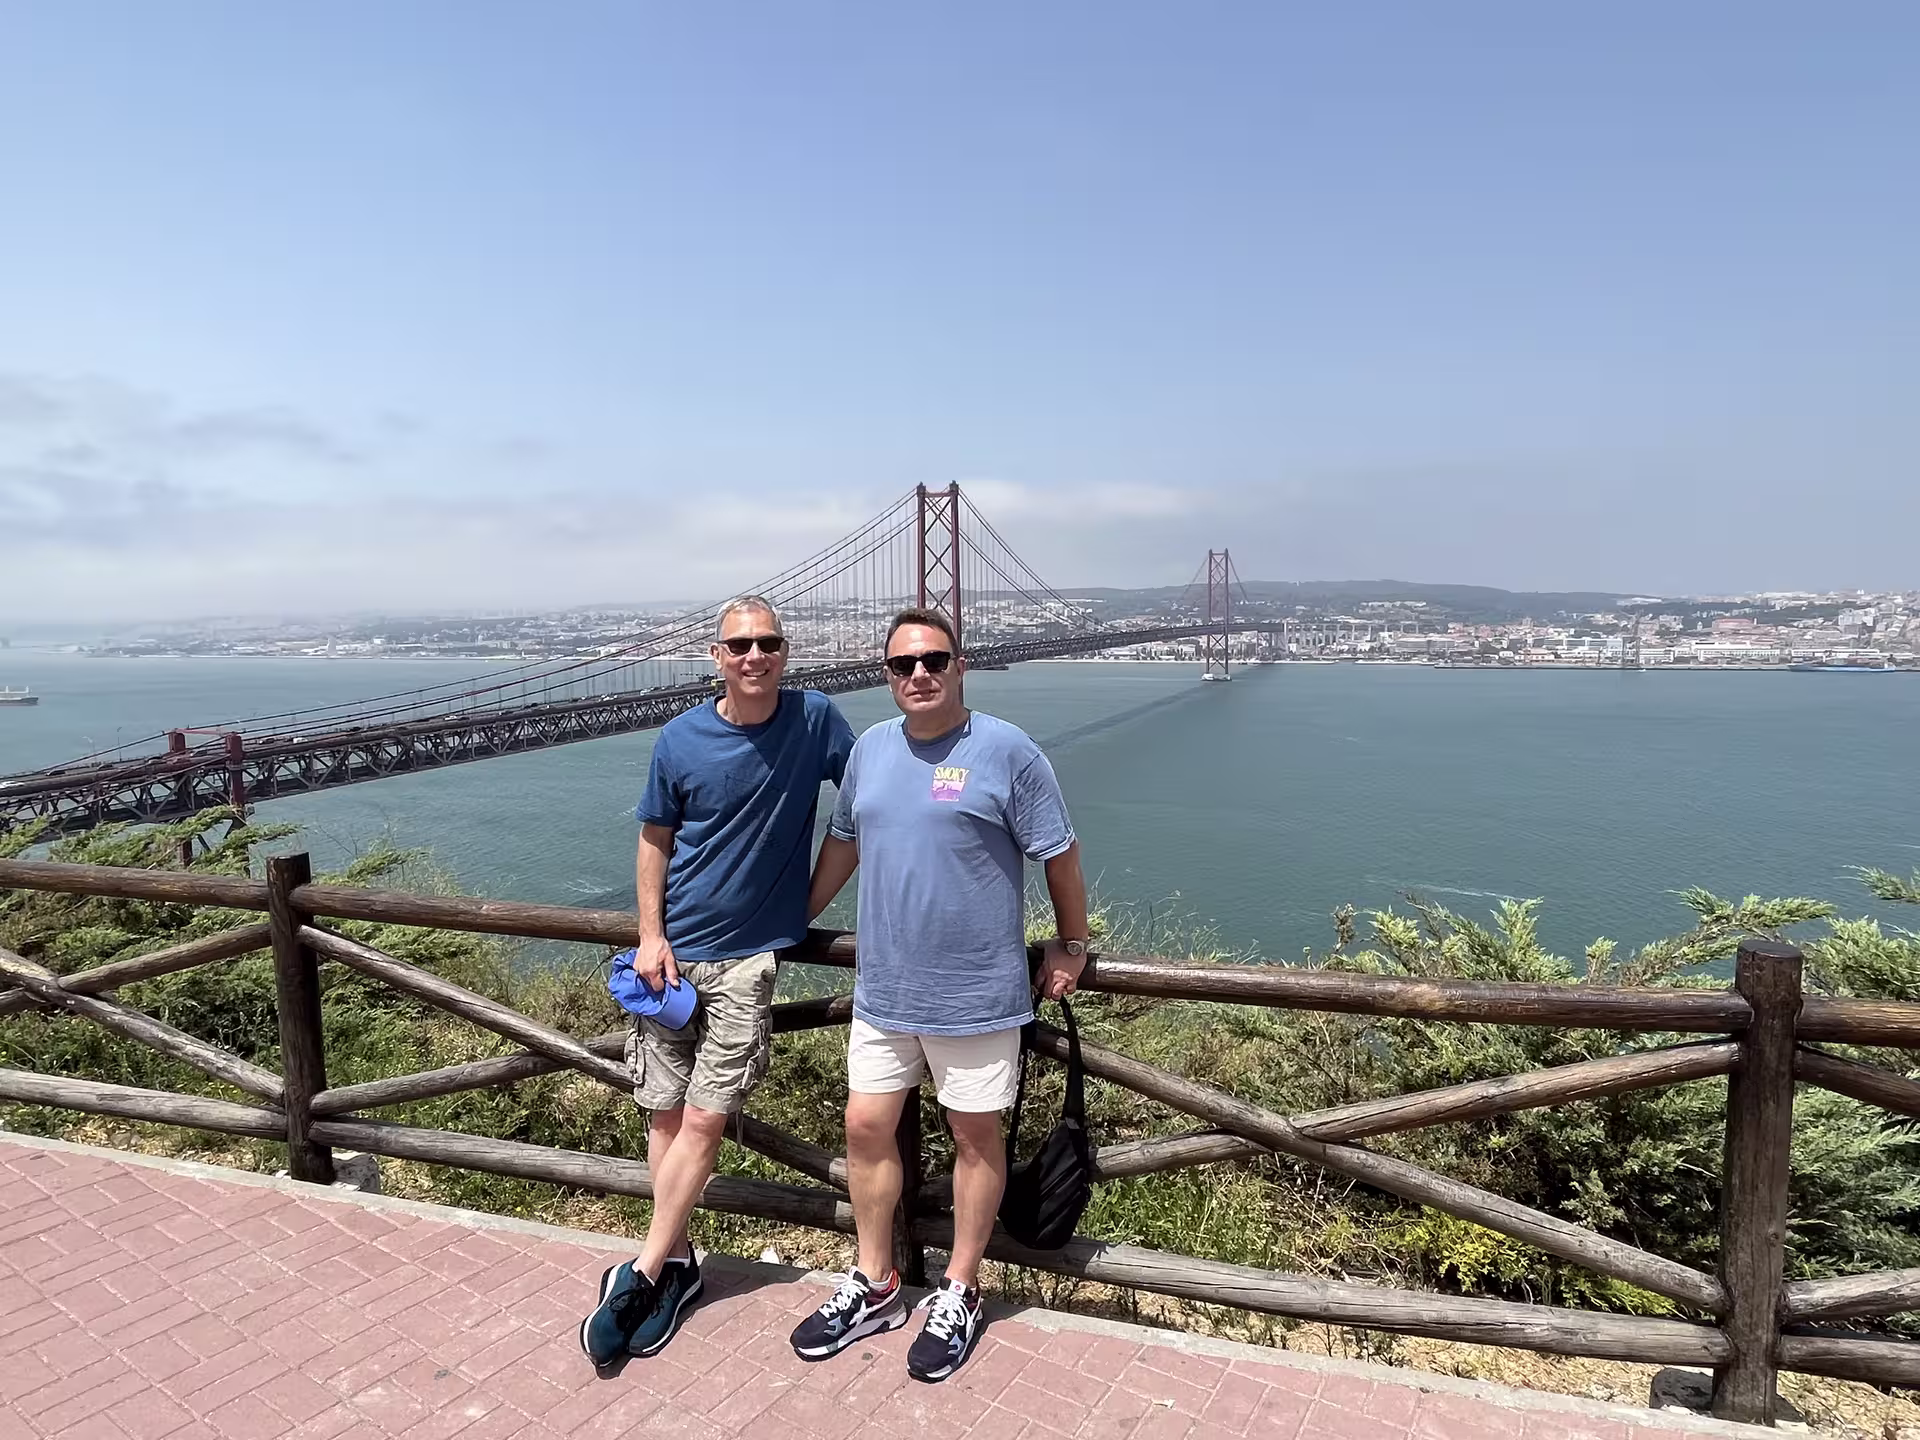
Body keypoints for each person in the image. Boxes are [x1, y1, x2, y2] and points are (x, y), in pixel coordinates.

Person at [790, 606, 1090, 1383]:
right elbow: (845, 842)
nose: (918, 674)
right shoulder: (869, 752)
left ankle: (960, 1287)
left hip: (978, 992)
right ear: (886, 676)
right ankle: (877, 1280)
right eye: (901, 665)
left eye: (933, 660)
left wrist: (1073, 942)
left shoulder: (1009, 752)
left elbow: (1059, 852)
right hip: (885, 987)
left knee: (974, 1139)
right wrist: (792, 920)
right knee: (864, 1128)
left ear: (962, 666)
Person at [580, 595, 855, 1371]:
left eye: (768, 643)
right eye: (739, 646)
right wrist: (649, 934)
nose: (754, 656)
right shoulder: (680, 738)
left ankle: (635, 1277)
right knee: (663, 1119)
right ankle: (680, 1268)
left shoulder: (816, 720)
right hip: (670, 961)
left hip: (745, 965)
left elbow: (866, 804)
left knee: (702, 1124)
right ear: (717, 656)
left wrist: (804, 908)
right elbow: (654, 843)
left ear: (786, 651)